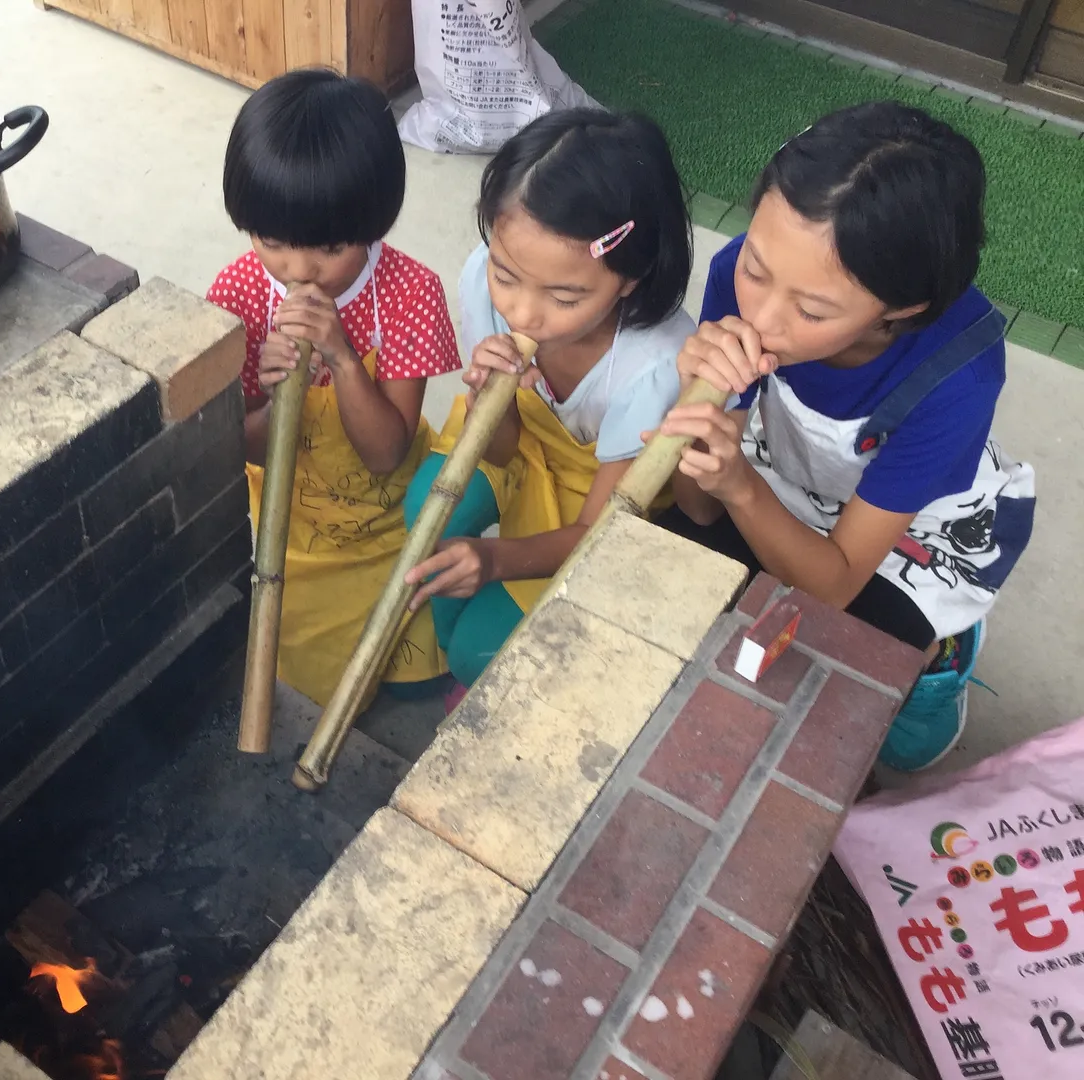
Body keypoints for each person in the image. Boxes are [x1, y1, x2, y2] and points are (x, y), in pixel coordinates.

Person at [654, 101, 1035, 772]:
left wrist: (737, 483)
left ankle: (947, 649)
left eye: (812, 309)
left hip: (903, 533)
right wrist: (698, 405)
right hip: (783, 473)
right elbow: (698, 505)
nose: (763, 317)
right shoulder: (738, 280)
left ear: (901, 309)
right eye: (757, 268)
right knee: (673, 579)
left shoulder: (958, 377)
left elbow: (833, 585)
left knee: (868, 714)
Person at [402, 108, 694, 698]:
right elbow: (505, 446)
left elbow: (600, 529)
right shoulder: (484, 279)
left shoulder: (656, 366)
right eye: (508, 276)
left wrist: (493, 560)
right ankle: (453, 651)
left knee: (482, 646)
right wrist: (494, 397)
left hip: (599, 493)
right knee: (426, 515)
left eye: (564, 296)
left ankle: (473, 658)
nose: (523, 314)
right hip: (518, 437)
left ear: (630, 278)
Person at [207, 69, 462, 707]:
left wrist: (343, 359)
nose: (298, 270)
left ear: (376, 221)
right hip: (287, 523)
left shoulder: (409, 293)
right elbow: (243, 448)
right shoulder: (237, 294)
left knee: (419, 675)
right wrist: (268, 398)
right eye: (272, 242)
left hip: (383, 519)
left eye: (327, 247)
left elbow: (386, 454)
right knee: (280, 653)